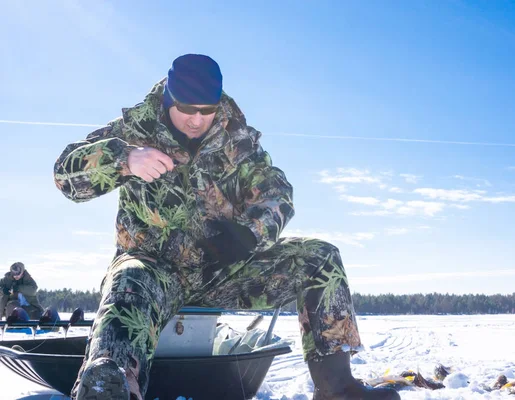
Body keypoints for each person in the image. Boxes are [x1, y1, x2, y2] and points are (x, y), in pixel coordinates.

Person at [54, 54, 400, 400]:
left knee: (320, 257)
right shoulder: (133, 130)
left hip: (221, 271)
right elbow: (65, 174)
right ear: (168, 99)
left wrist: (251, 234)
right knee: (127, 279)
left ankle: (337, 388)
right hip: (151, 272)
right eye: (188, 109)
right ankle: (109, 384)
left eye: (207, 109)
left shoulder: (237, 140)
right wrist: (124, 160)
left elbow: (277, 193)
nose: (197, 120)